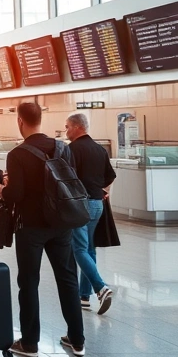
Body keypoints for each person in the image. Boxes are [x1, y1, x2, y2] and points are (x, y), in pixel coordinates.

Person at [0, 102, 85, 357]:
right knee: (68, 280)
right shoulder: (62, 148)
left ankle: (30, 343)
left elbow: (15, 194)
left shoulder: (18, 154)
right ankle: (77, 340)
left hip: (30, 227)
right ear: (41, 119)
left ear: (20, 121)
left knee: (29, 282)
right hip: (62, 224)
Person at [65, 113, 116, 315]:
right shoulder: (99, 149)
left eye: (68, 127)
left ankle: (100, 287)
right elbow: (110, 175)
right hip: (97, 204)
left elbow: (64, 178)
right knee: (89, 248)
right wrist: (101, 191)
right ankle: (84, 297)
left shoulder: (71, 150)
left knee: (79, 249)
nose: (66, 131)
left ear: (78, 127)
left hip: (79, 205)